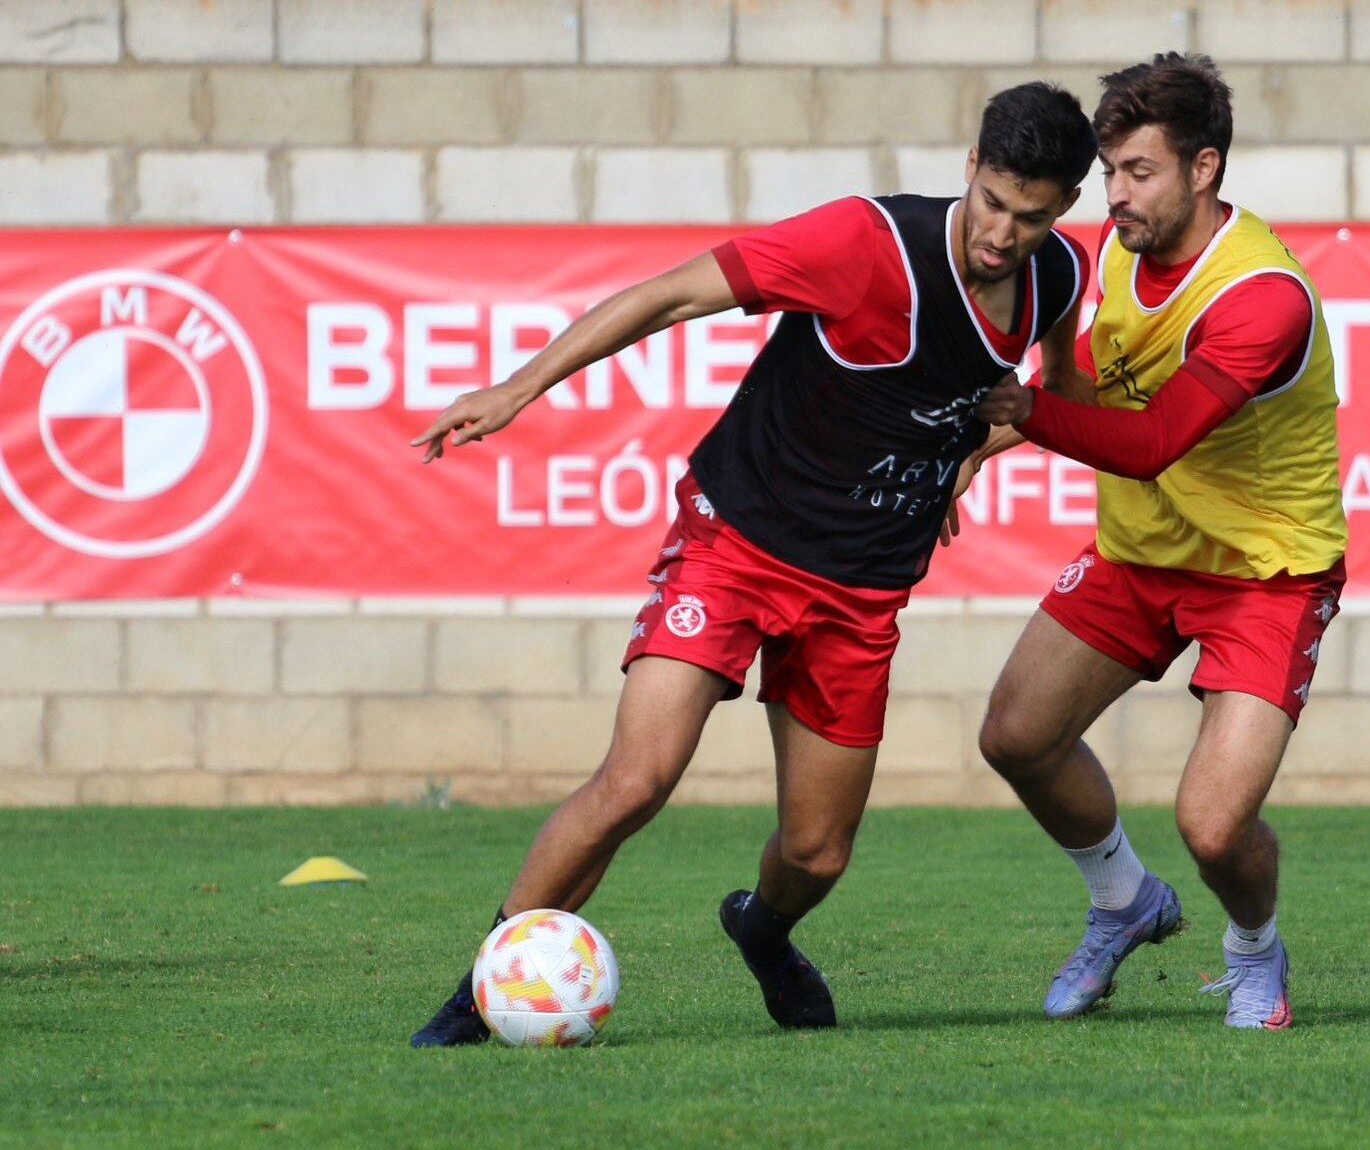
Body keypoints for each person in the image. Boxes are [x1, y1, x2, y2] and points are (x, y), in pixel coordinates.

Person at [406, 82, 1096, 1045]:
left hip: (862, 590)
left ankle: (765, 933)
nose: (1003, 235)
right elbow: (669, 294)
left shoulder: (1058, 275)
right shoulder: (863, 246)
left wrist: (974, 456)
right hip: (737, 543)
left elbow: (1055, 389)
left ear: (1063, 208)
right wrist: (519, 388)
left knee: (816, 854)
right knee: (637, 780)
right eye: (993, 204)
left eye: (1031, 217)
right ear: (969, 169)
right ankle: (485, 990)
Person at [968, 53, 1348, 1030]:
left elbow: (1148, 441)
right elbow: (1099, 368)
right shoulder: (1120, 249)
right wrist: (978, 449)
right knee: (1016, 734)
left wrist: (1025, 410)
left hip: (1266, 573)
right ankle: (1124, 900)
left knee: (1215, 827)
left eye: (1140, 171)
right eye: (1110, 173)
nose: (1118, 194)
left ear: (1204, 166)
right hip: (1142, 554)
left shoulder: (1262, 295)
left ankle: (1256, 951)